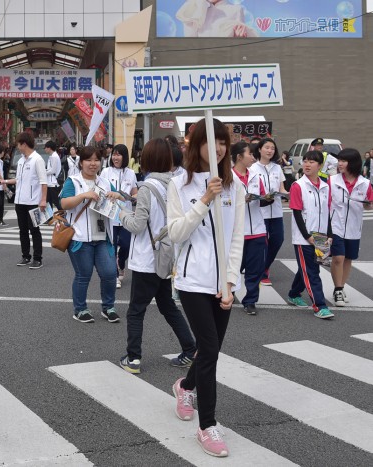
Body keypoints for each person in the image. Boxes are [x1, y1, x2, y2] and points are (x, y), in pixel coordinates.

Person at [167, 118, 245, 458]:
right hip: (192, 281)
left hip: (223, 284)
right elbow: (176, 234)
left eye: (223, 142)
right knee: (210, 349)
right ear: (195, 144)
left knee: (210, 349)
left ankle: (184, 386)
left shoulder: (235, 186)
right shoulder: (178, 185)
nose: (218, 149)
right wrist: (203, 200)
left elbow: (236, 237)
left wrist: (230, 281)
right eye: (210, 142)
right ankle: (207, 425)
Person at [118, 138, 197, 373]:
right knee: (167, 306)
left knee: (136, 310)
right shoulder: (176, 184)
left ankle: (133, 358)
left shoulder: (147, 187)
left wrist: (120, 213)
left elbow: (137, 225)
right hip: (167, 253)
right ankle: (190, 348)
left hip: (147, 258)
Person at [60, 146, 123, 323]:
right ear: (81, 162)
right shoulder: (73, 181)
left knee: (110, 273)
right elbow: (64, 203)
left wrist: (116, 194)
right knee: (83, 274)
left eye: (96, 160)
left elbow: (123, 198)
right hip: (80, 238)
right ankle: (80, 309)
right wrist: (83, 196)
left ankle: (108, 307)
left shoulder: (103, 181)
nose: (93, 164)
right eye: (89, 160)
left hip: (103, 237)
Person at [286, 150, 334, 319]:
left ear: (320, 165)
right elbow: (297, 213)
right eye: (305, 161)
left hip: (321, 236)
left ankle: (293, 293)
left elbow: (327, 212)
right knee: (312, 272)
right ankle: (320, 305)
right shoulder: (298, 185)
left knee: (308, 268)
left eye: (312, 162)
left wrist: (329, 234)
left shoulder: (326, 186)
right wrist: (307, 236)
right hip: (304, 237)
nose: (307, 164)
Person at [231, 142, 272, 315]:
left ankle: (251, 300)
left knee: (255, 268)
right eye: (250, 154)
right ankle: (228, 294)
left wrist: (268, 198)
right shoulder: (227, 177)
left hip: (257, 229)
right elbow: (222, 204)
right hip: (235, 231)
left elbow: (262, 199)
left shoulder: (256, 175)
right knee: (232, 267)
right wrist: (241, 201)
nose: (253, 157)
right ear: (239, 157)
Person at [329, 148, 373, 306]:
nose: (339, 164)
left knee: (348, 259)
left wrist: (368, 204)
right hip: (335, 225)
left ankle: (340, 287)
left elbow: (369, 205)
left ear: (352, 163)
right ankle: (338, 289)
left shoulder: (365, 183)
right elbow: (327, 203)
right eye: (339, 160)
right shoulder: (332, 181)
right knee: (338, 258)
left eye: (343, 161)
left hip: (354, 227)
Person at [1, 132, 47, 269]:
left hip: (33, 201)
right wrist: (5, 181)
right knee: (22, 230)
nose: (18, 147)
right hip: (20, 201)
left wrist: (43, 200)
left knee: (34, 230)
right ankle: (25, 256)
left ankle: (37, 258)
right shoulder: (21, 160)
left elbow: (43, 182)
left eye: (18, 144)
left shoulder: (37, 160)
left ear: (24, 144)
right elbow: (19, 179)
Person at [100, 144, 137, 288]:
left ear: (124, 157)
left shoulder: (130, 173)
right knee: (112, 247)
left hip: (126, 216)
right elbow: (101, 192)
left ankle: (121, 264)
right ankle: (115, 275)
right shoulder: (105, 172)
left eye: (118, 155)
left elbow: (135, 193)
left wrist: (127, 197)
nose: (115, 157)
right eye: (113, 155)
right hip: (110, 216)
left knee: (127, 245)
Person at [252, 138, 287, 286]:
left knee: (278, 240)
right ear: (259, 149)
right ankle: (262, 270)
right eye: (267, 147)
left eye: (272, 148)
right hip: (260, 211)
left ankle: (265, 266)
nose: (270, 150)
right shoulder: (252, 168)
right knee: (262, 243)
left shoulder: (277, 168)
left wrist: (287, 194)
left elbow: (282, 189)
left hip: (276, 211)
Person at [176, 0, 258, 37]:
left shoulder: (236, 9)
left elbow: (240, 38)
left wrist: (239, 38)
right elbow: (190, 39)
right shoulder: (199, 9)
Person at [44, 140, 62, 210]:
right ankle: (50, 218)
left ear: (49, 148)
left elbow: (53, 170)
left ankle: (63, 216)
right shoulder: (52, 156)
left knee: (56, 202)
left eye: (45, 147)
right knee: (48, 202)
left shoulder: (54, 156)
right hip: (49, 183)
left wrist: (43, 172)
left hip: (53, 183)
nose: (45, 149)